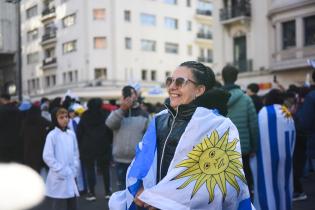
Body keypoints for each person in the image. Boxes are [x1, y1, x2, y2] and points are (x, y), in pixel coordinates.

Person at [109, 61, 254, 210]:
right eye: (170, 81)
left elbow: (217, 181)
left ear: (199, 90)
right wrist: (138, 189)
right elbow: (141, 160)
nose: (172, 86)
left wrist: (162, 200)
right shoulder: (159, 119)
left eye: (180, 82)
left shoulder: (219, 126)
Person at [251, 89, 295, 210]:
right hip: (286, 155)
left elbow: (258, 133)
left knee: (268, 184)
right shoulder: (287, 112)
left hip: (267, 155)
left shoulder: (264, 112)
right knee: (284, 184)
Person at [222, 65, 258, 198]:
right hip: (243, 149)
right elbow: (253, 125)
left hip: (222, 149)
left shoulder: (216, 99)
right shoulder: (246, 99)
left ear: (223, 77)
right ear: (236, 78)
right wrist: (255, 146)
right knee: (245, 182)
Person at [106, 86, 149, 191]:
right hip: (120, 159)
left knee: (135, 190)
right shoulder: (118, 112)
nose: (130, 97)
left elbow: (148, 138)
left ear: (136, 95)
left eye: (132, 94)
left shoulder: (144, 114)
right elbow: (109, 124)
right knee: (122, 190)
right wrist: (122, 109)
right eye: (127, 94)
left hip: (137, 160)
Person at [43, 107, 80, 210]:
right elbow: (47, 156)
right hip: (59, 175)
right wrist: (60, 169)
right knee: (58, 203)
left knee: (72, 203)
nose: (65, 119)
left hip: (71, 173)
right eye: (61, 117)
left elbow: (75, 152)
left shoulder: (71, 134)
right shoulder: (52, 135)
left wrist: (75, 166)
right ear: (55, 119)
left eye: (66, 116)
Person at [77, 98, 113, 200]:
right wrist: (109, 141)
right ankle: (108, 192)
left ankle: (91, 193)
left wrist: (80, 145)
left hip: (87, 146)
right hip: (103, 144)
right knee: (106, 169)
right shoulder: (105, 113)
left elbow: (80, 131)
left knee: (90, 170)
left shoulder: (85, 115)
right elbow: (110, 129)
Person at [21, 105, 51, 173]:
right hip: (41, 152)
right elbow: (51, 127)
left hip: (28, 153)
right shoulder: (43, 121)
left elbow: (21, 137)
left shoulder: (25, 122)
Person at [0, 94, 22, 163]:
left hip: (3, 143)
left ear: (2, 99)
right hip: (16, 142)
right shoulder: (18, 110)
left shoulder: (1, 110)